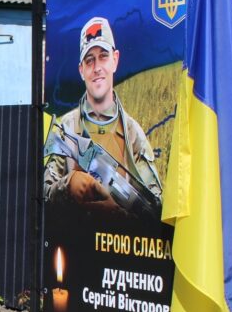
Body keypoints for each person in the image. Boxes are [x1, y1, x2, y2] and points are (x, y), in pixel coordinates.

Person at [43, 16, 162, 215]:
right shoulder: (67, 127)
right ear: (81, 70)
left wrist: (120, 212)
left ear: (115, 60)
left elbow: (154, 205)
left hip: (121, 232)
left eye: (103, 56)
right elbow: (44, 194)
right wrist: (69, 185)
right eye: (89, 60)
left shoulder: (131, 132)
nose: (97, 68)